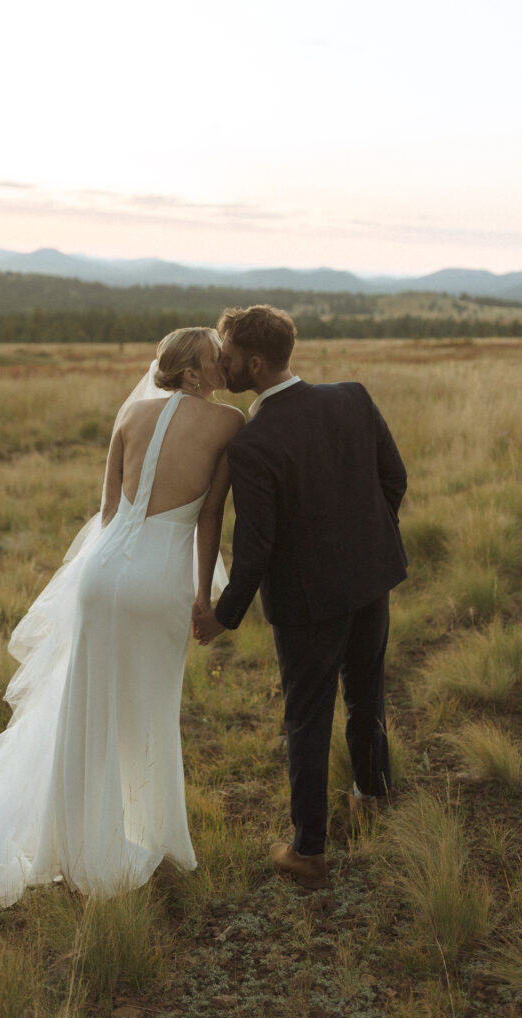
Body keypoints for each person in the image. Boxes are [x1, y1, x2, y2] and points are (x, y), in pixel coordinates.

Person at [0, 327, 244, 921]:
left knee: (85, 707)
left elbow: (107, 513)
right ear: (193, 375)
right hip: (160, 581)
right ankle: (138, 838)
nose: (222, 361)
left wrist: (94, 580)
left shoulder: (131, 417)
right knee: (147, 708)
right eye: (212, 356)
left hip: (100, 574)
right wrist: (205, 597)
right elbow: (209, 515)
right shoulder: (230, 423)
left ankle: (75, 839)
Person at [193, 305, 407, 890]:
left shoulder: (254, 444)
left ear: (255, 363)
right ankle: (371, 794)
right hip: (370, 580)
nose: (223, 361)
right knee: (367, 693)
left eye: (229, 354)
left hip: (309, 605)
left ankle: (309, 851)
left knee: (307, 718)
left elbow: (255, 550)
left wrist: (221, 616)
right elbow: (396, 479)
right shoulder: (352, 397)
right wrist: (366, 542)